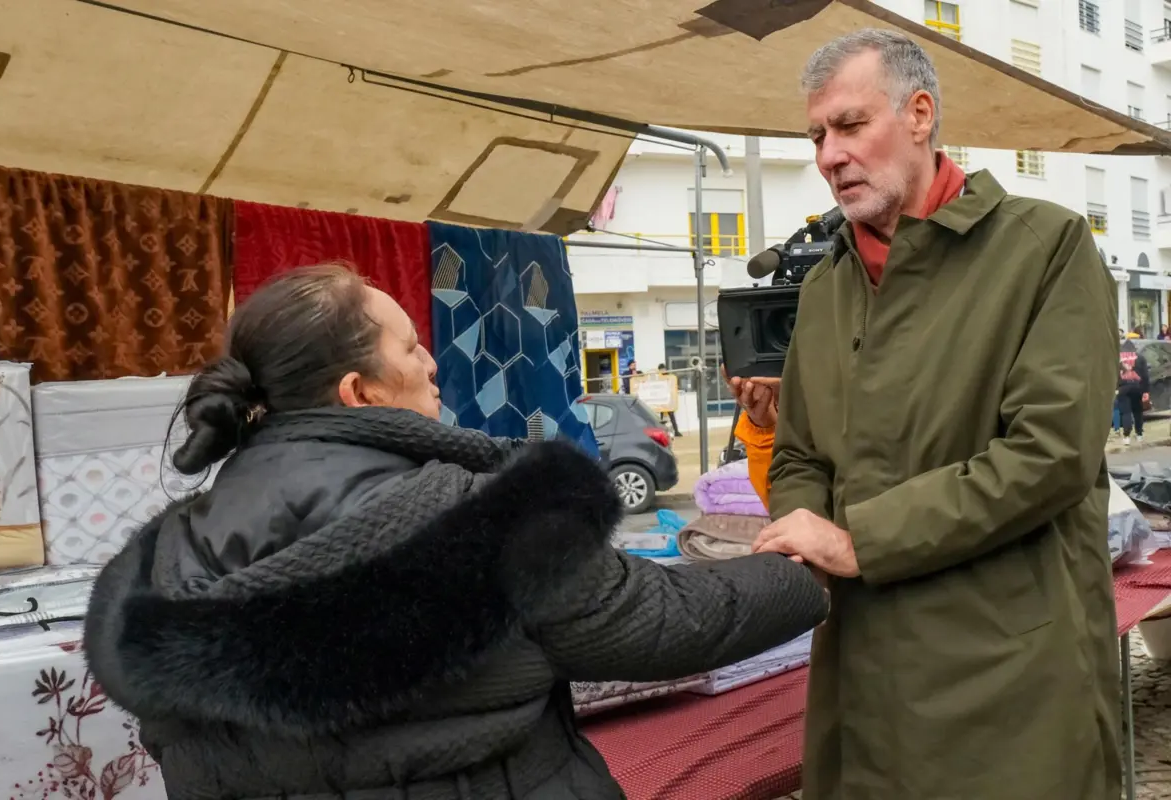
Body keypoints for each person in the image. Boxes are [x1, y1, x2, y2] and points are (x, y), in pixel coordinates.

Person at [83, 265, 828, 800]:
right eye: (409, 346)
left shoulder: (165, 560)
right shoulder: (476, 521)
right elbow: (667, 622)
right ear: (361, 391)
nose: (433, 360)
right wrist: (804, 568)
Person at [729, 30, 1120, 800]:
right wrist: (804, 537)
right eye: (816, 136)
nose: (829, 155)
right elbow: (803, 456)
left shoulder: (1047, 247)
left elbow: (1049, 456)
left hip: (1008, 684)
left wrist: (856, 540)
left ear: (919, 114)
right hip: (861, 676)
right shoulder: (825, 288)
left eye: (848, 125)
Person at [1118, 338, 1151, 446]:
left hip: (1123, 388)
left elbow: (1113, 374)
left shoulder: (1118, 359)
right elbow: (1145, 376)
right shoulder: (1140, 358)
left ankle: (1126, 436)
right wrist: (1146, 391)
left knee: (1126, 412)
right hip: (1138, 388)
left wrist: (1115, 387)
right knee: (1138, 412)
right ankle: (1139, 434)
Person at [656, 363, 683, 437]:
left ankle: (676, 431)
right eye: (661, 370)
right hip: (661, 400)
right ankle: (659, 432)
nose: (662, 371)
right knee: (660, 418)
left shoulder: (670, 377)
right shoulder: (658, 378)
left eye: (663, 369)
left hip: (668, 400)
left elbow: (673, 386)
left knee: (672, 416)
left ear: (665, 369)